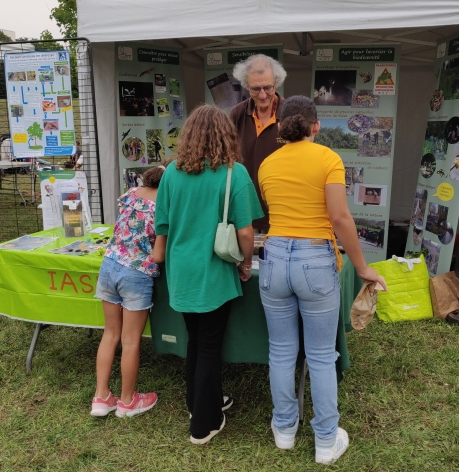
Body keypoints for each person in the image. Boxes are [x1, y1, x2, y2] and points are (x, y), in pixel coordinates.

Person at [257, 96, 387, 464]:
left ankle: (284, 429)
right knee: (319, 355)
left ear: (280, 126)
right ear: (316, 126)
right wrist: (363, 267)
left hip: (274, 257)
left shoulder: (267, 164)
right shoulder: (328, 158)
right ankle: (326, 440)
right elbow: (340, 218)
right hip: (315, 259)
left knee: (281, 351)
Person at [153, 104, 263, 445]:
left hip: (181, 271)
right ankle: (204, 423)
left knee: (196, 341)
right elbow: (247, 234)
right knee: (210, 345)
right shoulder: (236, 173)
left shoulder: (171, 172)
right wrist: (246, 264)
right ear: (227, 135)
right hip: (214, 272)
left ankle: (200, 402)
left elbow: (163, 226)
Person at [91, 164, 168, 418]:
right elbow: (158, 256)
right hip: (136, 274)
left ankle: (101, 397)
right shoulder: (164, 205)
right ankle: (127, 401)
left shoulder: (131, 194)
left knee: (110, 334)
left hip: (109, 266)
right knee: (131, 340)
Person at [230, 54, 287, 232]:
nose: (262, 95)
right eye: (255, 89)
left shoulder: (290, 114)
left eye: (267, 88)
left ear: (276, 83)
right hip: (244, 212)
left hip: (281, 212)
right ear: (246, 86)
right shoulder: (237, 114)